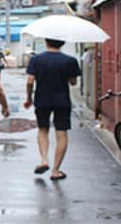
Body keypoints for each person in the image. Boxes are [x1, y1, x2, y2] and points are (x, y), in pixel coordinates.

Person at [24, 38, 80, 180]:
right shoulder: (70, 60)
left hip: (42, 99)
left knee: (43, 130)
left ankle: (44, 160)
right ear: (62, 43)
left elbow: (30, 81)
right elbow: (73, 82)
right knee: (61, 134)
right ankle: (55, 170)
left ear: (47, 42)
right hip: (62, 100)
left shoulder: (36, 59)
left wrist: (29, 98)